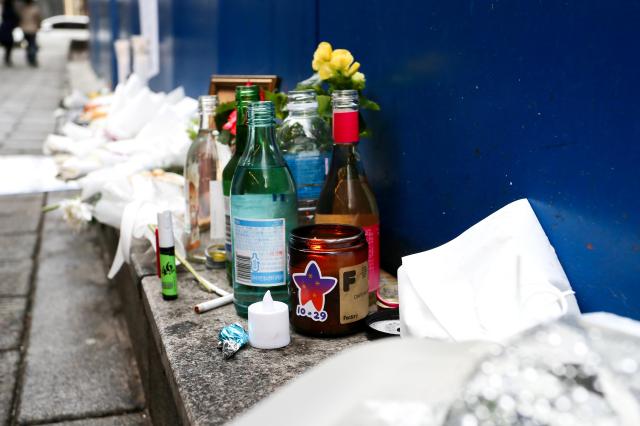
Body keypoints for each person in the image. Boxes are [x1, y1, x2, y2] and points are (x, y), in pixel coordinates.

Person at [20, 0, 40, 67]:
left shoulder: (23, 9)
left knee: (28, 45)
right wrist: (38, 26)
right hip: (32, 29)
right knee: (32, 44)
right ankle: (33, 59)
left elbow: (20, 19)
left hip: (25, 29)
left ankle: (30, 58)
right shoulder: (35, 9)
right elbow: (38, 19)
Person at [0, 0, 19, 66]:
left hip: (4, 29)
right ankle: (7, 58)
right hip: (7, 30)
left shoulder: (5, 10)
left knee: (7, 45)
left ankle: (7, 58)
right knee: (9, 45)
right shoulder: (10, 11)